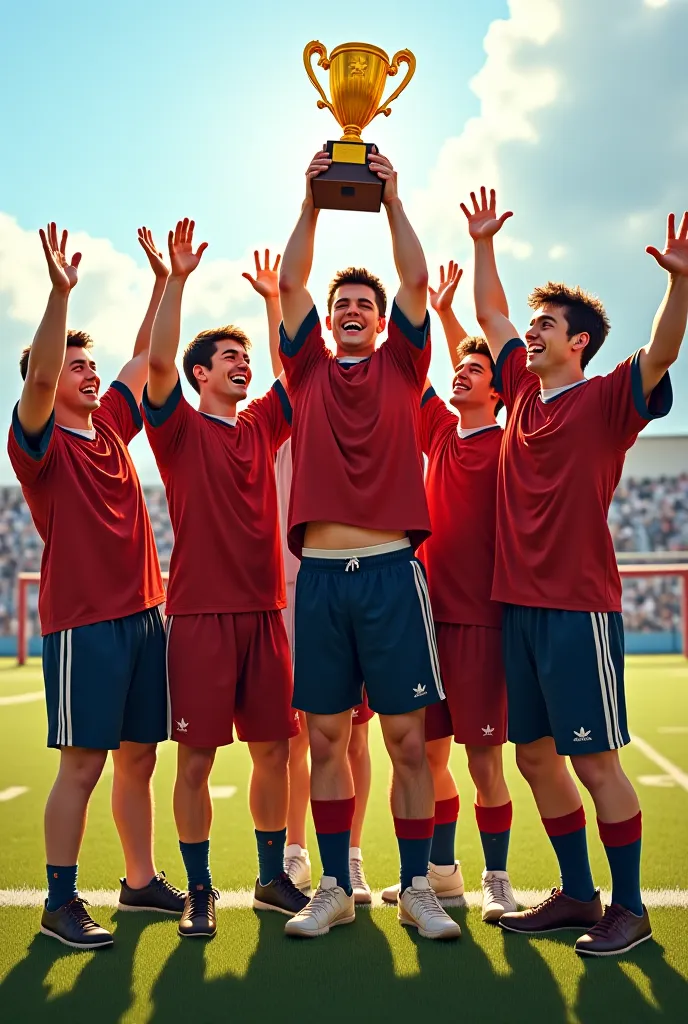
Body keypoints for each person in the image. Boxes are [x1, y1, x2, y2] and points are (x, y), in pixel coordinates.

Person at [464, 188, 685, 956]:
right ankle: (579, 894)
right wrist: (484, 243)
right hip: (515, 607)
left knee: (594, 759)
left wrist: (679, 283)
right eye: (532, 326)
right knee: (533, 757)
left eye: (546, 326)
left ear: (580, 342)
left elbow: (660, 352)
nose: (530, 334)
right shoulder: (521, 392)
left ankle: (630, 907)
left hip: (576, 607)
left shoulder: (606, 401)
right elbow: (493, 316)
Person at [278, 150, 459, 940]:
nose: (351, 308)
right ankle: (333, 885)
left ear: (381, 321)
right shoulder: (306, 366)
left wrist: (392, 199)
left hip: (391, 572)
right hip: (319, 577)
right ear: (329, 316)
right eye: (340, 301)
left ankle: (416, 886)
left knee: (407, 738)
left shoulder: (402, 363)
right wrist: (311, 203)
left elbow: (416, 283)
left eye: (363, 302)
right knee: (324, 738)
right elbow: (289, 285)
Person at [8, 224, 185, 950]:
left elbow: (144, 360)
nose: (88, 372)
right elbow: (43, 379)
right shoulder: (37, 442)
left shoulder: (110, 426)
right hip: (84, 624)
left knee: (138, 757)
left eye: (89, 364)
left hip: (145, 618)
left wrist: (165, 281)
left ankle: (138, 882)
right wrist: (58, 293)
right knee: (81, 765)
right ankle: (58, 901)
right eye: (76, 364)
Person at [143, 220, 307, 940]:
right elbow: (154, 364)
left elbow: (296, 372)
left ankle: (271, 879)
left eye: (247, 356)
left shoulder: (261, 428)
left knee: (275, 750)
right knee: (197, 759)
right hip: (201, 617)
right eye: (228, 357)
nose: (243, 364)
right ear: (199, 374)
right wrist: (175, 280)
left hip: (267, 615)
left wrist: (274, 302)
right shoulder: (176, 431)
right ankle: (201, 888)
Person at [380, 263, 517, 922]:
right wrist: (439, 310)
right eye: (458, 372)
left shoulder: (512, 440)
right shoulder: (438, 431)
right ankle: (440, 873)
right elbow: (420, 369)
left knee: (485, 760)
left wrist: (465, 321)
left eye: (475, 373)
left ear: (499, 394)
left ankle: (497, 877)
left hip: (483, 625)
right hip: (425, 622)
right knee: (426, 756)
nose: (460, 376)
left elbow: (494, 364)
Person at [243, 251, 373, 904]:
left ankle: (349, 855)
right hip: (292, 594)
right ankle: (294, 849)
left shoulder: (347, 414)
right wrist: (274, 301)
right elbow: (285, 366)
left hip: (347, 583)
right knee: (298, 735)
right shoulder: (285, 421)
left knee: (357, 733)